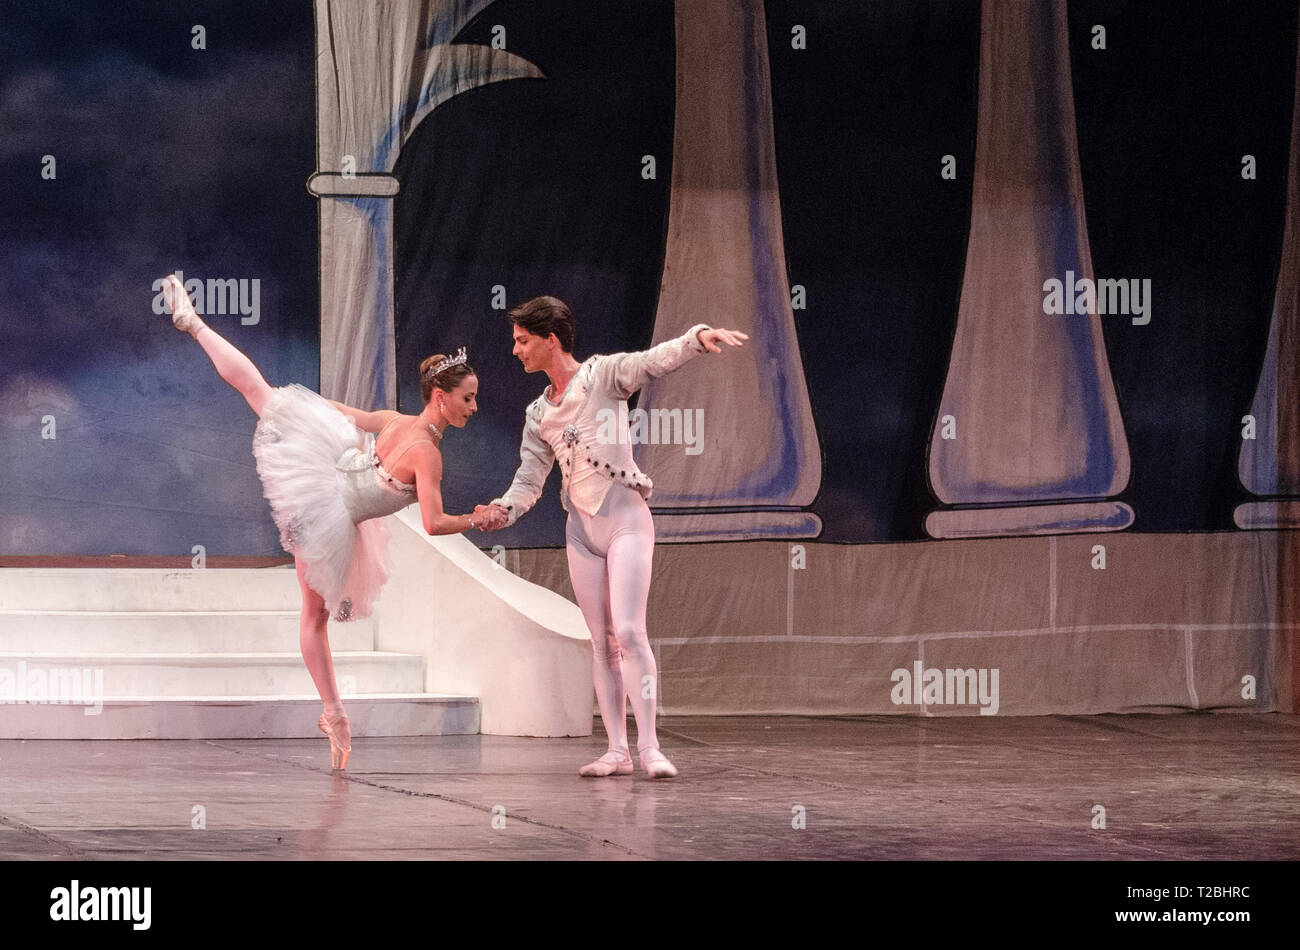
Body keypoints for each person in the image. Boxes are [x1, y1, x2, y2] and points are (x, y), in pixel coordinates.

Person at [158, 274, 496, 769]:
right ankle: (335, 714)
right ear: (441, 396)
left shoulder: (398, 420)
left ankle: (194, 325)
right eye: (468, 397)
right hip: (328, 509)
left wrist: (301, 407)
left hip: (330, 482)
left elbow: (349, 414)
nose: (474, 406)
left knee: (260, 392)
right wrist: (478, 518)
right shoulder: (427, 453)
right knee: (314, 619)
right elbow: (433, 522)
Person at [479, 295, 748, 779]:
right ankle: (617, 750)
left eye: (522, 341)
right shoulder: (537, 413)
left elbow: (650, 362)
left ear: (550, 339)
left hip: (624, 518)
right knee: (601, 641)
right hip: (581, 531)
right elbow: (529, 479)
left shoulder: (601, 376)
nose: (516, 351)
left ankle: (650, 748)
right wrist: (504, 509)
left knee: (628, 632)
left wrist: (697, 339)